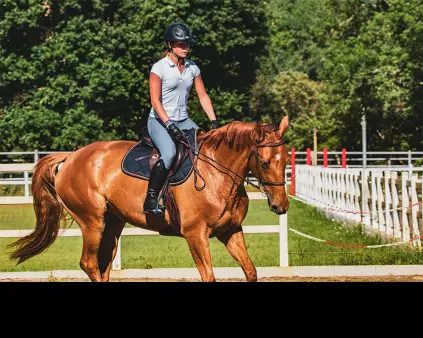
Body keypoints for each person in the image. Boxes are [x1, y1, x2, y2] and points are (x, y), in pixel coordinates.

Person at [144, 22, 219, 215]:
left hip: (184, 120)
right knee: (168, 153)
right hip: (159, 121)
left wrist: (213, 121)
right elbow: (155, 101)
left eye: (187, 44)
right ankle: (151, 199)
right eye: (181, 44)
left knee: (204, 148)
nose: (185, 48)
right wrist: (168, 124)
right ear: (170, 44)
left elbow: (202, 95)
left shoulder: (192, 68)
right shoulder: (159, 68)